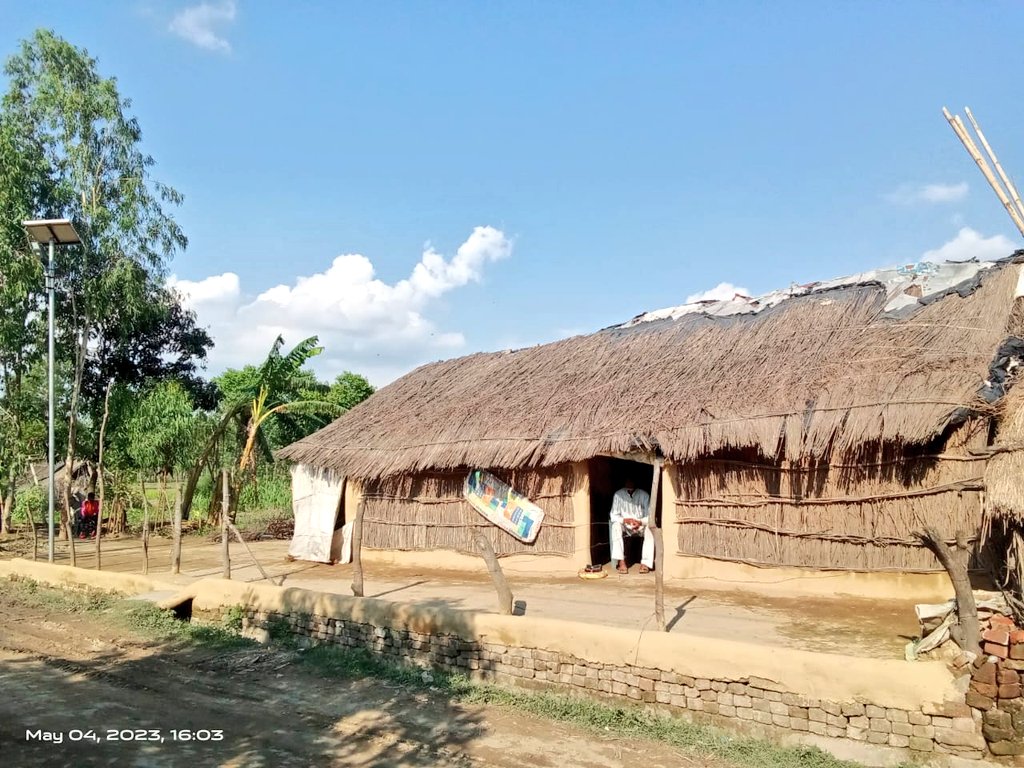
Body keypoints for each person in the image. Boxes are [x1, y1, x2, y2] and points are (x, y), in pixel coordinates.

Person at [609, 478, 653, 574]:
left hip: (641, 526)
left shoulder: (644, 495)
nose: (630, 483)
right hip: (626, 526)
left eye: (632, 481)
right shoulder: (618, 495)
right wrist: (625, 520)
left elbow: (650, 516)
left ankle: (645, 563)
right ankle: (621, 561)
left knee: (650, 528)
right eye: (628, 481)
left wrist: (640, 522)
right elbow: (613, 515)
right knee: (615, 526)